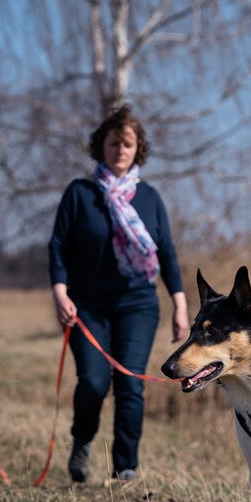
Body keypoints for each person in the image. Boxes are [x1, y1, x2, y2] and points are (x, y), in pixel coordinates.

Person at [48, 105, 189, 482]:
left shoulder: (149, 198)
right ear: (102, 146)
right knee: (94, 383)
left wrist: (179, 303)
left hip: (138, 306)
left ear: (137, 149)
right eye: (114, 142)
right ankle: (81, 443)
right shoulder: (80, 194)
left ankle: (125, 469)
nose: (120, 150)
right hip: (87, 307)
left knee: (130, 385)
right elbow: (58, 245)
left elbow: (166, 253)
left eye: (128, 144)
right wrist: (60, 292)